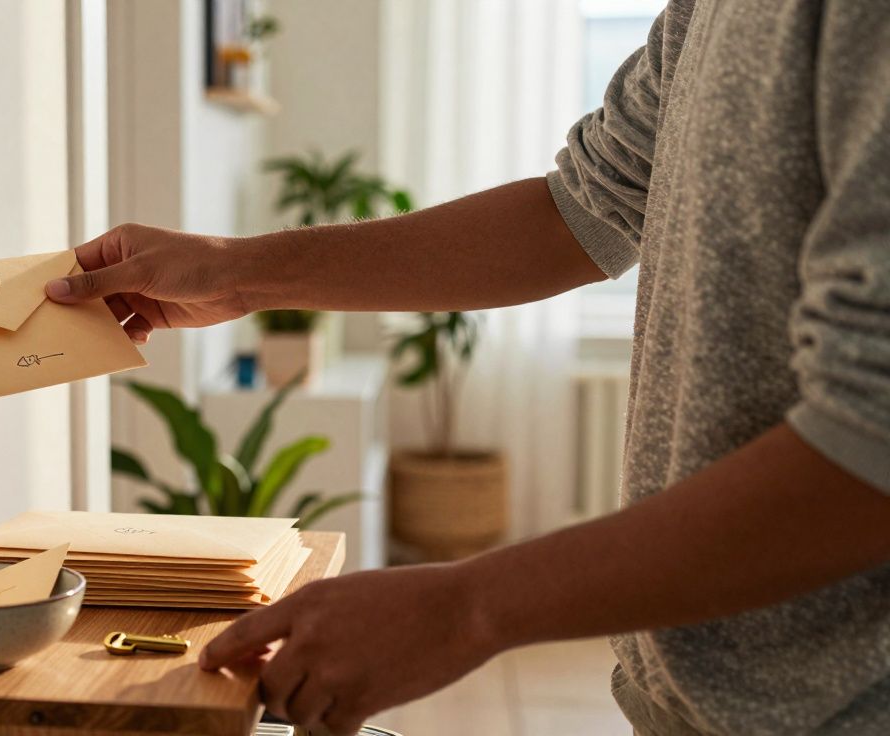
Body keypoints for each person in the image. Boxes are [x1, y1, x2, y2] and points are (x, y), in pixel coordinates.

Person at [45, 2, 890, 733]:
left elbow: (872, 436)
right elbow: (579, 210)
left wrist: (468, 607)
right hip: (690, 694)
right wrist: (236, 270)